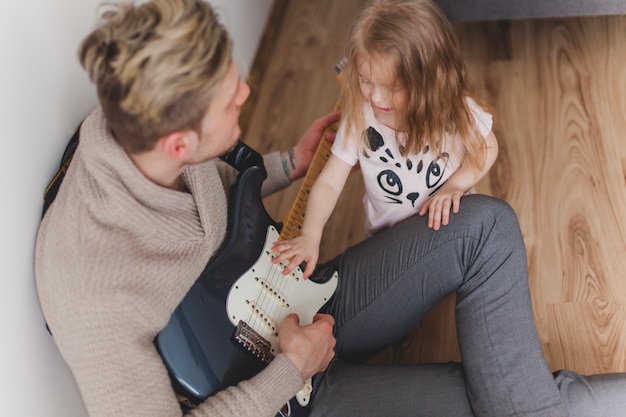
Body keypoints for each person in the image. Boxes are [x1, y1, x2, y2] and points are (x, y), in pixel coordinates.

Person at [34, 0, 626, 417]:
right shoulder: (94, 301)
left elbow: (212, 192)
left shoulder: (136, 126)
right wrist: (289, 371)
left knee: (489, 226)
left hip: (296, 295)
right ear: (179, 143)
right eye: (229, 99)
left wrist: (288, 163)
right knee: (498, 397)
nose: (246, 93)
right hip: (282, 398)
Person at [271, 0, 498, 279]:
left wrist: (455, 185)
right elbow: (330, 182)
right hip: (387, 244)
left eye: (393, 88)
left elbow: (488, 145)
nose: (377, 98)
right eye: (367, 81)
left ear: (429, 79)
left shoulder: (453, 108)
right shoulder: (360, 118)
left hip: (448, 227)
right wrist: (310, 234)